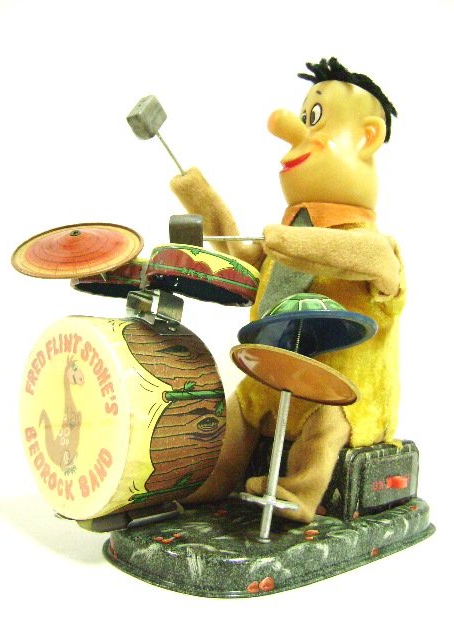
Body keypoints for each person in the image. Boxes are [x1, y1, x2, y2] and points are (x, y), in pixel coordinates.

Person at [170, 57, 404, 523]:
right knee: (238, 412)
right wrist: (200, 197)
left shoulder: (376, 247)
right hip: (272, 383)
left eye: (314, 119)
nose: (290, 129)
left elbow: (364, 258)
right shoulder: (286, 235)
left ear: (366, 138)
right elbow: (240, 260)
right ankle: (212, 482)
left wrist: (292, 243)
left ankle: (299, 495)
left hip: (342, 395)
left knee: (330, 423)